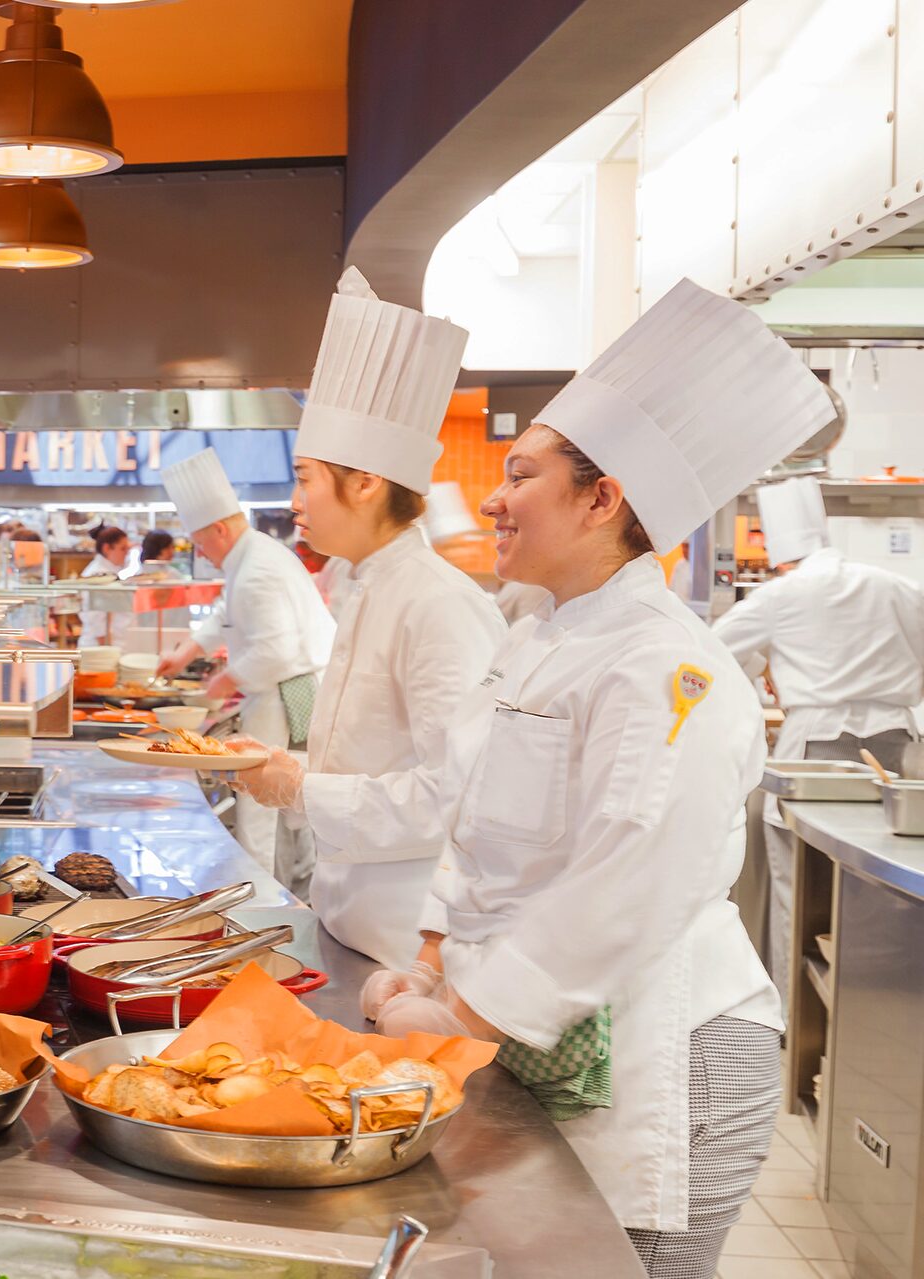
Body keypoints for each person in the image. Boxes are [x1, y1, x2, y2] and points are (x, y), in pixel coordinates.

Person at [240, 280, 834, 1275]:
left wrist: (455, 1021)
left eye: (521, 475)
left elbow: (625, 882)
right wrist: (429, 964)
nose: (494, 498)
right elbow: (467, 818)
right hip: (553, 1037)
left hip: (665, 1060)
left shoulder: (667, 670)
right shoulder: (539, 637)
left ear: (603, 500)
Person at [229, 267, 503, 967]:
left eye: (305, 477)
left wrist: (300, 787)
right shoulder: (365, 584)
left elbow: (457, 795)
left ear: (367, 482)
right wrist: (282, 766)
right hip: (349, 925)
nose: (294, 500)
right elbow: (370, 761)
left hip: (412, 949)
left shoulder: (438, 604)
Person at [712, 474, 924, 1006]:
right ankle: (887, 1006)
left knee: (801, 890)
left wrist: (757, 684)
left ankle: (798, 1018)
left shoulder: (781, 596)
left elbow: (707, 657)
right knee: (887, 889)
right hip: (897, 749)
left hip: (816, 754)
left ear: (782, 554)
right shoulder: (894, 584)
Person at [157, 448, 334, 874]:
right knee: (286, 806)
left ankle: (262, 896)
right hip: (285, 688)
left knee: (261, 802)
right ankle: (286, 884)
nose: (202, 552)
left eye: (200, 543)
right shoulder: (252, 555)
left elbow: (276, 650)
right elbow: (226, 611)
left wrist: (223, 682)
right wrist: (188, 651)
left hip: (285, 693)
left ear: (219, 529)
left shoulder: (256, 568)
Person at [78, 525, 134, 646]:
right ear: (107, 548)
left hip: (113, 644)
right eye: (123, 549)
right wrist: (105, 646)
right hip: (100, 647)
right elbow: (95, 617)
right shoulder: (97, 575)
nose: (126, 554)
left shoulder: (110, 573)